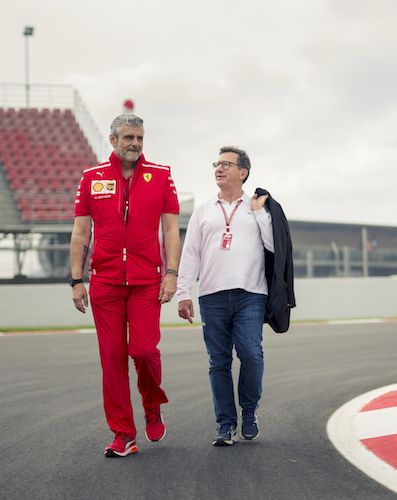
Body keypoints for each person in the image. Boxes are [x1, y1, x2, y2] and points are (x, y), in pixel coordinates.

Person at [69, 114, 181, 457]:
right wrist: (77, 280)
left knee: (144, 350)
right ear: (113, 140)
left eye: (140, 138)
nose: (135, 143)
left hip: (148, 281)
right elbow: (80, 233)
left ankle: (152, 405)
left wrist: (172, 273)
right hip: (105, 283)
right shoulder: (92, 178)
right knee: (113, 357)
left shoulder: (161, 176)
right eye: (129, 137)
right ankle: (123, 434)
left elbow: (172, 230)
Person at [177, 146, 286, 446]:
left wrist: (259, 213)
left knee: (251, 354)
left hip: (251, 294)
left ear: (243, 172)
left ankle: (248, 411)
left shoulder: (256, 209)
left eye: (227, 164)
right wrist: (183, 292)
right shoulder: (203, 210)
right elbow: (190, 254)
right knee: (219, 362)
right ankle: (226, 424)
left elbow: (274, 249)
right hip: (211, 295)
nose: (219, 168)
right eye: (217, 163)